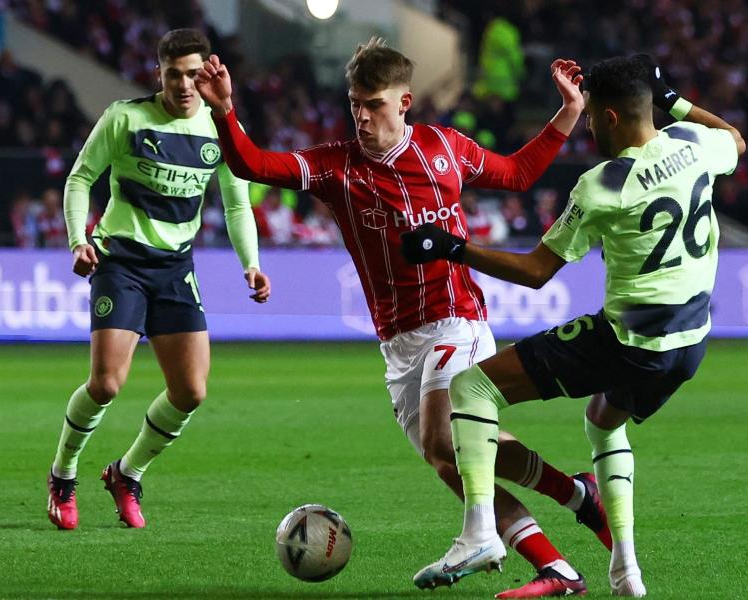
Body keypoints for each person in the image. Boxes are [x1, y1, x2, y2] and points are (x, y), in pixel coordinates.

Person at [195, 38, 609, 598]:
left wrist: (568, 113)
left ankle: (481, 535)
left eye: (374, 104)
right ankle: (564, 543)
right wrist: (225, 110)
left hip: (455, 320)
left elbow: (514, 174)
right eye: (355, 105)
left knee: (447, 442)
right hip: (397, 343)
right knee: (452, 458)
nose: (362, 117)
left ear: (405, 102)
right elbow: (252, 163)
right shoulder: (335, 167)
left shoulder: (445, 148)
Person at [402, 54, 746, 597]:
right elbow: (735, 138)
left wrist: (455, 248)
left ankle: (480, 531)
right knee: (603, 421)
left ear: (609, 117)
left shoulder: (602, 185)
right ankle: (625, 570)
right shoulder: (695, 143)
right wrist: (671, 95)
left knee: (473, 387)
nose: (587, 127)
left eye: (591, 118)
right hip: (692, 342)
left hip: (629, 340)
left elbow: (538, 271)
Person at [46, 28, 270, 531]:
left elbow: (236, 203)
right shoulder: (126, 117)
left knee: (191, 391)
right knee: (106, 383)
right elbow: (80, 178)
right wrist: (76, 241)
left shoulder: (219, 127)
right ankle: (63, 475)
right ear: (159, 74)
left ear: (207, 73)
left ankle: (127, 473)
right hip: (119, 261)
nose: (185, 85)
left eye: (193, 74)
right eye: (174, 75)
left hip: (174, 268)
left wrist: (250, 263)